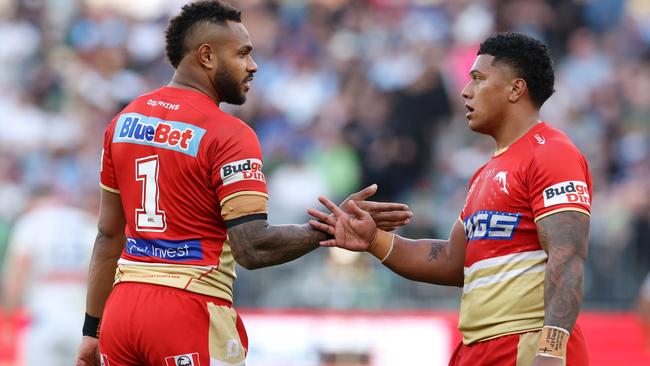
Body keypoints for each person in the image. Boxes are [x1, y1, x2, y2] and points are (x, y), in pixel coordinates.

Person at [74, 1, 411, 366]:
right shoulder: (229, 134)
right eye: (243, 54)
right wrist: (333, 226)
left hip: (122, 311)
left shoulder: (124, 122)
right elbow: (252, 247)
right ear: (207, 56)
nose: (253, 66)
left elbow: (109, 236)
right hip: (188, 308)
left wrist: (92, 331)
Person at [309, 32, 591, 366]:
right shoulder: (485, 173)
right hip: (478, 347)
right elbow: (452, 260)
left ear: (516, 89)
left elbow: (568, 255)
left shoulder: (552, 153)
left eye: (478, 78)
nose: (465, 90)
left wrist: (551, 350)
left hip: (526, 344)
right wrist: (374, 239)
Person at [2, 189, 96, 366]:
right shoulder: (85, 221)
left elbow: (17, 274)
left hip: (42, 319)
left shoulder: (31, 222)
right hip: (82, 322)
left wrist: (8, 318)